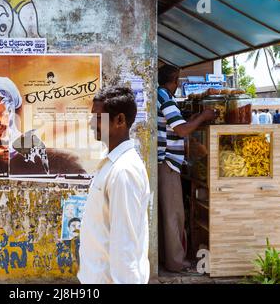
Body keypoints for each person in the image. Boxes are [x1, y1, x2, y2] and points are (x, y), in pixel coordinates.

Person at [78, 86, 151, 284]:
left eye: (98, 117)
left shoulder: (123, 171)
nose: (92, 123)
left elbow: (125, 245)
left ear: (119, 120)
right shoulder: (111, 163)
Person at [157, 65, 215, 273]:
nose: (178, 83)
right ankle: (176, 262)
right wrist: (203, 117)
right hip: (168, 162)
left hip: (164, 162)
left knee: (166, 214)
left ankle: (165, 257)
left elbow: (178, 124)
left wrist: (193, 119)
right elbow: (181, 130)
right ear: (174, 81)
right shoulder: (164, 96)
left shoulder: (160, 96)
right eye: (178, 80)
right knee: (174, 215)